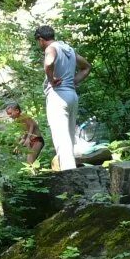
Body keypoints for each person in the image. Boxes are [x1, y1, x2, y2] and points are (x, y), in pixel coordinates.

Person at [35, 26, 91, 171]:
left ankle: (69, 175)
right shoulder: (69, 50)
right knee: (70, 137)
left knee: (61, 138)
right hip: (72, 95)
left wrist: (51, 79)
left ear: (41, 39)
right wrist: (74, 81)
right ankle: (72, 169)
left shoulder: (51, 48)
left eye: (38, 42)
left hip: (58, 96)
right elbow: (86, 67)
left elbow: (48, 63)